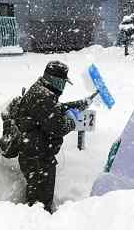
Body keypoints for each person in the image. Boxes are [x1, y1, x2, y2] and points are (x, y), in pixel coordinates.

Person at [15, 61, 93, 213]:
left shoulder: (42, 90)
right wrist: (73, 120)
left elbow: (53, 109)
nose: (63, 87)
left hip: (36, 154)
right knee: (39, 205)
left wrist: (77, 104)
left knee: (38, 199)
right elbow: (58, 127)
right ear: (55, 80)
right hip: (37, 159)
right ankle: (39, 228)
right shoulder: (43, 96)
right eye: (63, 83)